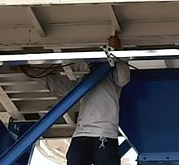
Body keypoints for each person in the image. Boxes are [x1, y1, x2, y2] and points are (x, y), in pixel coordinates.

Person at [44, 35, 130, 165]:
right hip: (89, 135)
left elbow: (123, 78)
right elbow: (60, 87)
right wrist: (28, 70)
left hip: (102, 134)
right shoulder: (83, 82)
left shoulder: (111, 77)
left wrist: (118, 49)